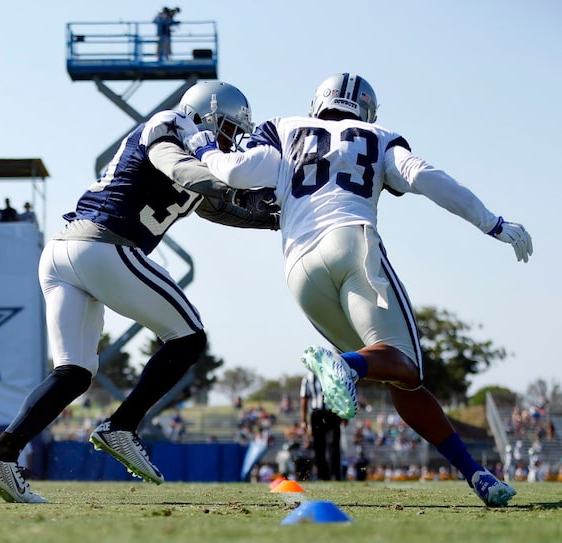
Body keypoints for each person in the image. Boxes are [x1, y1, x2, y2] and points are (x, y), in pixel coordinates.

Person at [187, 72, 532, 507]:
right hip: (351, 243)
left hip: (298, 268)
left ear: (318, 103)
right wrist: (492, 222)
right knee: (403, 363)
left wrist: (202, 150)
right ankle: (345, 366)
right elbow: (426, 177)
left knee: (396, 376)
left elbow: (236, 172)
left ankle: (476, 474)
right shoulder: (379, 136)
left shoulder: (282, 126)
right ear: (366, 110)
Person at [0, 80, 279, 503]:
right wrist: (235, 185)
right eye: (227, 129)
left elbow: (215, 205)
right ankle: (122, 426)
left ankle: (1, 454)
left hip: (64, 254)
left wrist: (272, 219)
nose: (231, 141)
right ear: (205, 115)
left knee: (75, 372)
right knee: (189, 336)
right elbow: (179, 169)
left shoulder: (197, 155)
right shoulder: (169, 125)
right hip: (103, 246)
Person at [300, 371, 345, 480]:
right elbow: (304, 398)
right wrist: (303, 419)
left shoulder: (333, 374)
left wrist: (344, 414)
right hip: (317, 414)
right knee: (318, 446)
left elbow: (342, 394)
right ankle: (322, 476)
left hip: (333, 412)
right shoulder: (308, 378)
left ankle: (335, 475)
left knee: (333, 444)